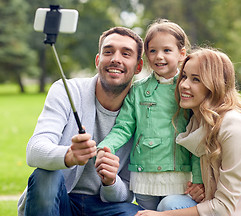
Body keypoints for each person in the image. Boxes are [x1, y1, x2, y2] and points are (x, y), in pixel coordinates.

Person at [136, 47, 241, 216]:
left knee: (168, 209)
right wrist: (200, 188)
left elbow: (223, 208)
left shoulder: (234, 128)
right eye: (184, 76)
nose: (184, 85)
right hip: (233, 208)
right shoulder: (197, 123)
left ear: (214, 85)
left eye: (196, 80)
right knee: (172, 203)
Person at [17, 26, 145, 216]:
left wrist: (111, 181)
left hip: (105, 207)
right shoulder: (66, 90)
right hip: (61, 201)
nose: (115, 59)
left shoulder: (144, 112)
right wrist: (68, 156)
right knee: (45, 174)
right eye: (108, 52)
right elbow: (34, 150)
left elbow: (127, 193)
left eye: (126, 54)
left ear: (138, 66)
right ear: (97, 60)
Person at [96, 19, 204, 211]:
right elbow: (123, 127)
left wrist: (198, 179)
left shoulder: (187, 90)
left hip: (179, 175)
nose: (159, 56)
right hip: (143, 174)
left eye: (166, 50)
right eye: (152, 50)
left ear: (181, 54)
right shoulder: (137, 90)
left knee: (169, 209)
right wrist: (106, 146)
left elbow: (196, 138)